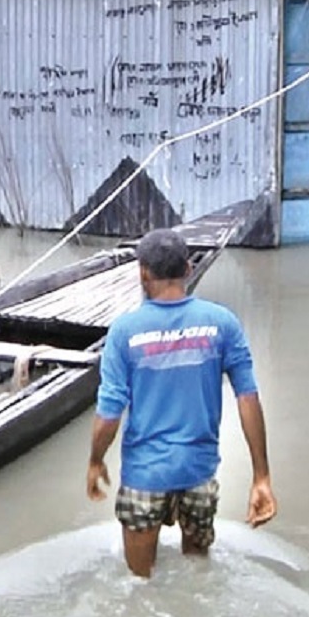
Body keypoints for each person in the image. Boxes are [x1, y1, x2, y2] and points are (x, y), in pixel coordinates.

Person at [86, 228, 278, 578]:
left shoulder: (124, 332)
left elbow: (109, 412)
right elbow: (247, 398)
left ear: (143, 272)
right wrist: (261, 477)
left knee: (138, 585)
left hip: (145, 476)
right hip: (199, 473)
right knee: (197, 576)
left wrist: (96, 461)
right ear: (189, 269)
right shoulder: (222, 324)